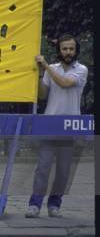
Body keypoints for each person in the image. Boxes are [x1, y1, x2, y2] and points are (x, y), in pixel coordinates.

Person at [25, 34, 88, 218]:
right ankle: (35, 204)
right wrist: (37, 76)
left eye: (71, 49)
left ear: (75, 51)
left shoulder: (81, 69)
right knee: (43, 168)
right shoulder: (51, 69)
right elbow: (43, 95)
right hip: (50, 124)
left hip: (70, 127)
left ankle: (54, 205)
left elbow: (65, 83)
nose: (68, 52)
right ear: (59, 50)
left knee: (62, 171)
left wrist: (45, 66)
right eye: (64, 49)